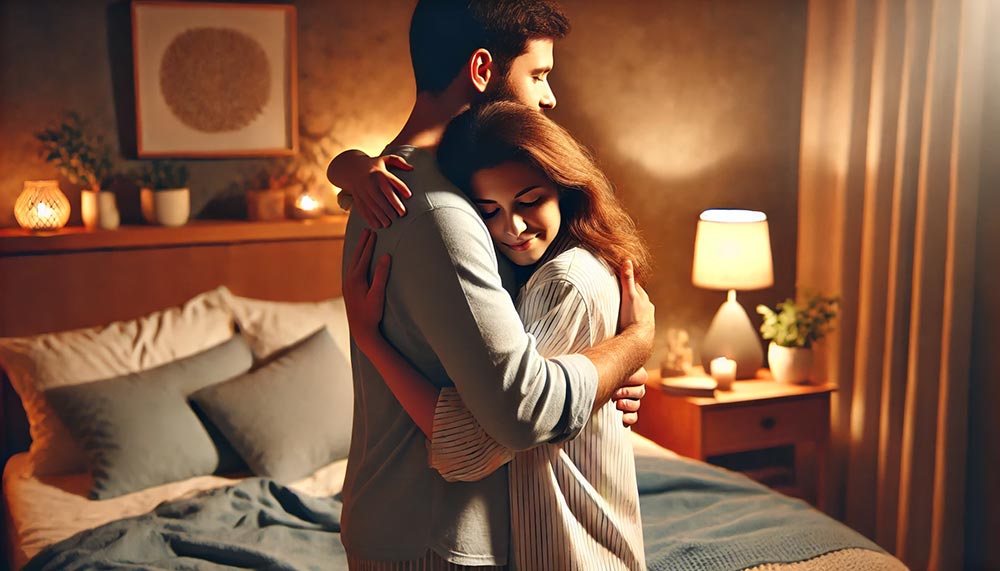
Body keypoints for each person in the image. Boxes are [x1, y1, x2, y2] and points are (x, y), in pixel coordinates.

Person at [333, 1, 655, 568]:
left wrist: (350, 164)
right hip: (436, 533)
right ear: (482, 69)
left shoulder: (402, 181)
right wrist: (632, 344)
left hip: (419, 522)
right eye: (538, 74)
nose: (548, 97)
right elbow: (523, 411)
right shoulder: (436, 210)